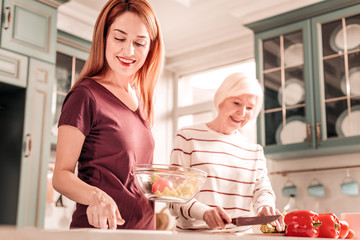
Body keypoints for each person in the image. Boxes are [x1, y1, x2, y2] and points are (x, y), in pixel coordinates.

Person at [52, 0, 164, 230]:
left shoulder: (140, 100)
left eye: (139, 43)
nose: (128, 51)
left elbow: (133, 176)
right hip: (102, 233)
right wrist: (96, 197)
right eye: (119, 38)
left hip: (145, 232)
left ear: (150, 47)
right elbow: (61, 176)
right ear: (103, 38)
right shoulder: (86, 95)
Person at [168, 72, 285, 232]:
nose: (242, 113)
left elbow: (262, 190)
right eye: (236, 103)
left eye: (249, 108)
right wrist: (204, 212)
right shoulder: (188, 137)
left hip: (241, 236)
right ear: (221, 100)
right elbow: (174, 197)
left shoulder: (254, 151)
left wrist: (265, 206)